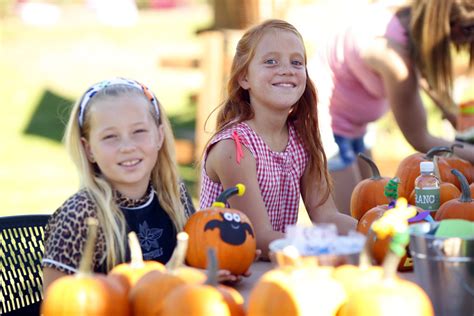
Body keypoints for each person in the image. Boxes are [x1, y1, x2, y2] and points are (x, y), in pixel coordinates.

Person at [42, 78, 243, 292]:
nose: (127, 147)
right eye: (110, 136)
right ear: (89, 148)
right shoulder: (79, 215)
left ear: (159, 135)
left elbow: (189, 263)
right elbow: (57, 301)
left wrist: (232, 255)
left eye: (138, 132)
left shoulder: (172, 193)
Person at [199, 19, 357, 259]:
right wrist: (321, 249)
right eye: (271, 61)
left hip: (276, 263)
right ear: (244, 78)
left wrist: (372, 232)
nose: (286, 69)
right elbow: (258, 236)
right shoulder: (235, 148)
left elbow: (327, 216)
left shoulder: (302, 140)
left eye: (296, 62)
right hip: (229, 269)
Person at [311, 0, 474, 211]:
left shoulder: (409, 18)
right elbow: (420, 138)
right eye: (469, 31)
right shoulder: (392, 56)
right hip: (326, 123)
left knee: (372, 207)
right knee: (352, 225)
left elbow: (419, 69)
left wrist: (449, 111)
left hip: (357, 124)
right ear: (447, 26)